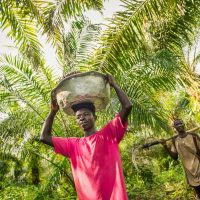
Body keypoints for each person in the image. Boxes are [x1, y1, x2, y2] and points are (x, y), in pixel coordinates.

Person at [40, 74, 132, 200]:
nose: (82, 118)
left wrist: (114, 85)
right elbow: (44, 137)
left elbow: (127, 106)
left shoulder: (109, 134)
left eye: (86, 114)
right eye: (78, 117)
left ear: (95, 117)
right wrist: (52, 112)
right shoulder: (73, 145)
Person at [160, 119, 200, 198]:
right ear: (175, 128)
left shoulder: (193, 136)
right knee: (198, 192)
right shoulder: (174, 140)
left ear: (183, 124)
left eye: (180, 123)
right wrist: (165, 146)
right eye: (177, 125)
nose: (179, 126)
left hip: (199, 167)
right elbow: (175, 157)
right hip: (190, 172)